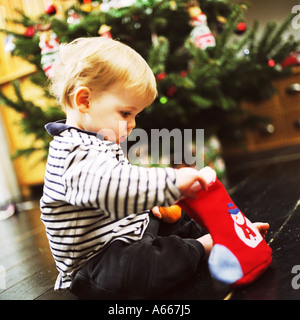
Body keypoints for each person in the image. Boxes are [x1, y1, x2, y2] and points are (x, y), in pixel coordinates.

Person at [40, 37, 268, 299]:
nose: (132, 124)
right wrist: (170, 181)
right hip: (98, 262)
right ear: (84, 101)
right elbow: (114, 186)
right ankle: (206, 246)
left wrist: (149, 205)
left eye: (135, 115)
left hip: (129, 233)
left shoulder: (98, 139)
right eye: (126, 113)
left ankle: (230, 235)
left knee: (176, 217)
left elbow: (125, 189)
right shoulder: (71, 153)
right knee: (142, 266)